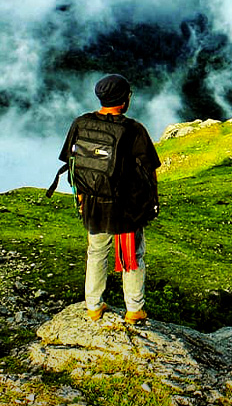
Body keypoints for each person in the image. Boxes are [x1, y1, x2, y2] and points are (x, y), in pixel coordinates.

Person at [58, 74, 161, 324]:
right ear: (124, 100)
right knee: (132, 256)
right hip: (126, 208)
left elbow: (72, 165)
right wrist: (151, 204)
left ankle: (93, 306)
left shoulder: (81, 123)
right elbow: (149, 170)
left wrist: (81, 197)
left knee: (96, 253)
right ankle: (134, 309)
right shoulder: (133, 129)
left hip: (93, 202)